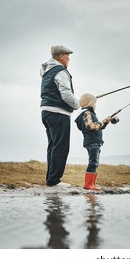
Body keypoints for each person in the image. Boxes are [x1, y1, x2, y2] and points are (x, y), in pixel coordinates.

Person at [40, 45, 79, 187]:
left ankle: (51, 179)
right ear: (61, 56)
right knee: (61, 147)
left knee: (53, 146)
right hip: (58, 113)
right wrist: (77, 104)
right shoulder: (60, 71)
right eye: (68, 56)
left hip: (46, 112)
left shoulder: (47, 71)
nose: (69, 59)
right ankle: (54, 181)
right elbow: (66, 94)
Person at [75, 93, 118, 190]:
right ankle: (88, 184)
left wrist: (105, 122)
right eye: (95, 103)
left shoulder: (89, 113)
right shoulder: (87, 113)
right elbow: (90, 126)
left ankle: (92, 184)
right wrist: (102, 122)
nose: (95, 105)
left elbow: (97, 127)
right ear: (89, 103)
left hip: (95, 142)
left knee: (95, 163)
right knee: (93, 162)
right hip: (92, 142)